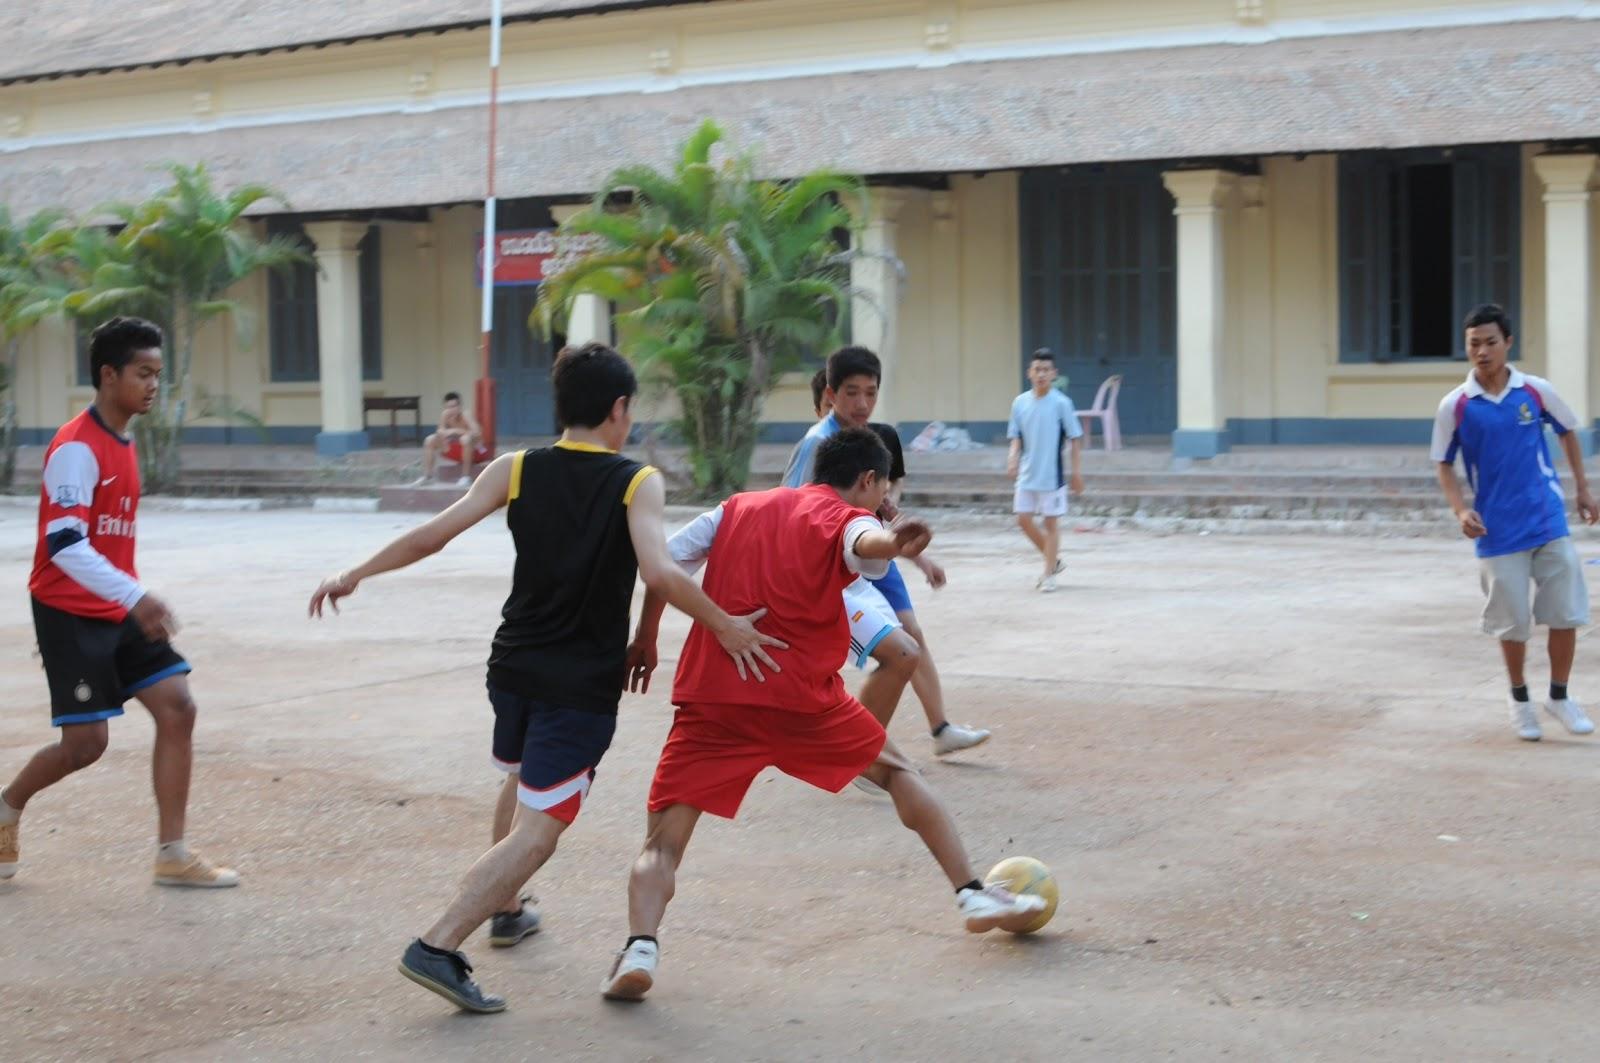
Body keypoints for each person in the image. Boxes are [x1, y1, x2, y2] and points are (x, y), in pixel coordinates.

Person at [309, 343, 782, 1014]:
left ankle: (505, 909)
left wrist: (354, 571)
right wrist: (725, 625)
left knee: (521, 775)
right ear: (619, 408)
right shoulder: (636, 481)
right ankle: (438, 944)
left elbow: (433, 535)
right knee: (541, 828)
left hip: (513, 667)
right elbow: (660, 570)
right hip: (577, 683)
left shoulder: (516, 468)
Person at [603, 428, 1046, 1001]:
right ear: (868, 480)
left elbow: (663, 566)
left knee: (662, 844)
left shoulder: (737, 507)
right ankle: (971, 893)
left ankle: (640, 947)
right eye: (882, 488)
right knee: (899, 773)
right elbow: (865, 541)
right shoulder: (846, 518)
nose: (881, 498)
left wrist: (645, 636)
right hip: (803, 703)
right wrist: (894, 541)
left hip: (715, 700)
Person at [0, 317, 237, 888]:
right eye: (143, 373)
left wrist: (130, 598)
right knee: (86, 746)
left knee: (178, 706)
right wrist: (136, 594)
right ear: (109, 375)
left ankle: (172, 854)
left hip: (118, 606)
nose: (153, 385)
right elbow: (64, 545)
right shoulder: (76, 448)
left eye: (158, 374)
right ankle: (6, 807)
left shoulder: (124, 441)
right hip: (69, 611)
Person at [790, 354, 990, 759]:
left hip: (873, 552)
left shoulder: (868, 440)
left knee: (910, 637)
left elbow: (883, 508)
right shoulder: (816, 443)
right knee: (885, 653)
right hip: (836, 562)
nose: (862, 403)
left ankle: (939, 729)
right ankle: (859, 752)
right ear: (831, 395)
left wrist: (920, 559)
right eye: (852, 393)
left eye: (871, 393)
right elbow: (789, 507)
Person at [1431, 304, 1598, 742]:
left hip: (1547, 520)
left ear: (1508, 342)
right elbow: (1443, 463)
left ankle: (1559, 696)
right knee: (1512, 622)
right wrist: (1460, 510)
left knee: (1565, 612)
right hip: (1496, 531)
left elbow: (1568, 430)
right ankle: (1520, 700)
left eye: (1490, 342)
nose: (1482, 351)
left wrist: (1582, 488)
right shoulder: (1456, 405)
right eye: (1474, 344)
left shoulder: (1535, 391)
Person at [1007, 349, 1085, 593]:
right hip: (1027, 473)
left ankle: (1048, 574)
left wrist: (1076, 473)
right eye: (1037, 369)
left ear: (1054, 374)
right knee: (1023, 519)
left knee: (1051, 523)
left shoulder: (1062, 404)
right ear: (1029, 373)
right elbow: (1016, 436)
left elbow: (1075, 438)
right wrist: (1012, 457)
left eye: (1046, 370)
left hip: (1052, 476)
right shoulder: (1019, 403)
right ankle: (1054, 560)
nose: (1041, 374)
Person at [412, 391, 491, 486]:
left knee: (465, 439)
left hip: (477, 452)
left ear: (460, 406)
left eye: (454, 406)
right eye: (449, 407)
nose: (452, 410)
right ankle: (427, 476)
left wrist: (455, 431)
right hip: (455, 450)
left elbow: (477, 432)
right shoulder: (445, 415)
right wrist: (442, 435)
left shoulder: (466, 414)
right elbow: (440, 431)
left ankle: (465, 477)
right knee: (429, 440)